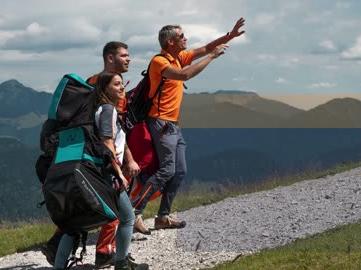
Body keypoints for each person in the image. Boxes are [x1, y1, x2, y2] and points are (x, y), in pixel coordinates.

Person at [131, 18, 246, 232]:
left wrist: (229, 36)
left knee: (180, 171)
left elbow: (206, 47)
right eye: (182, 37)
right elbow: (185, 75)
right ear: (170, 42)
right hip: (160, 122)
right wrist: (212, 57)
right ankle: (135, 212)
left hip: (173, 125)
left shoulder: (177, 57)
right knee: (166, 170)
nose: (186, 39)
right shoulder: (160, 62)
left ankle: (162, 217)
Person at [41, 41, 140, 269]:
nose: (122, 88)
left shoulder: (96, 105)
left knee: (74, 225)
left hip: (85, 168)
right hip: (103, 171)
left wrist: (129, 159)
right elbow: (107, 141)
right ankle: (118, 261)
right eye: (117, 85)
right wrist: (119, 172)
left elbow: (115, 135)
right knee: (125, 217)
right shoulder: (106, 108)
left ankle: (63, 263)